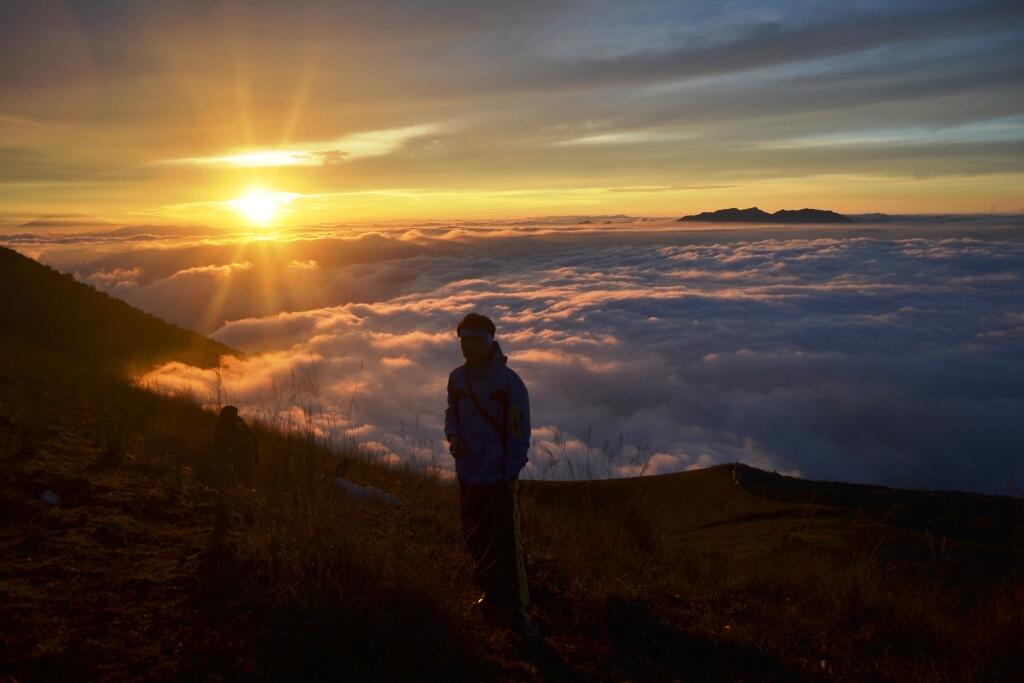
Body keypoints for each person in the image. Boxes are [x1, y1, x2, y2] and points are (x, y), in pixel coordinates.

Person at [444, 312, 534, 632]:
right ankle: (490, 595)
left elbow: (519, 432)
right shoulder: (457, 379)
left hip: (498, 478)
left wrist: (511, 472)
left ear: (490, 341)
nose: (468, 345)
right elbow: (451, 416)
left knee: (507, 547)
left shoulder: (509, 383)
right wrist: (453, 438)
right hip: (468, 475)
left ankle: (517, 612)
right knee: (476, 538)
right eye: (464, 339)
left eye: (476, 339)